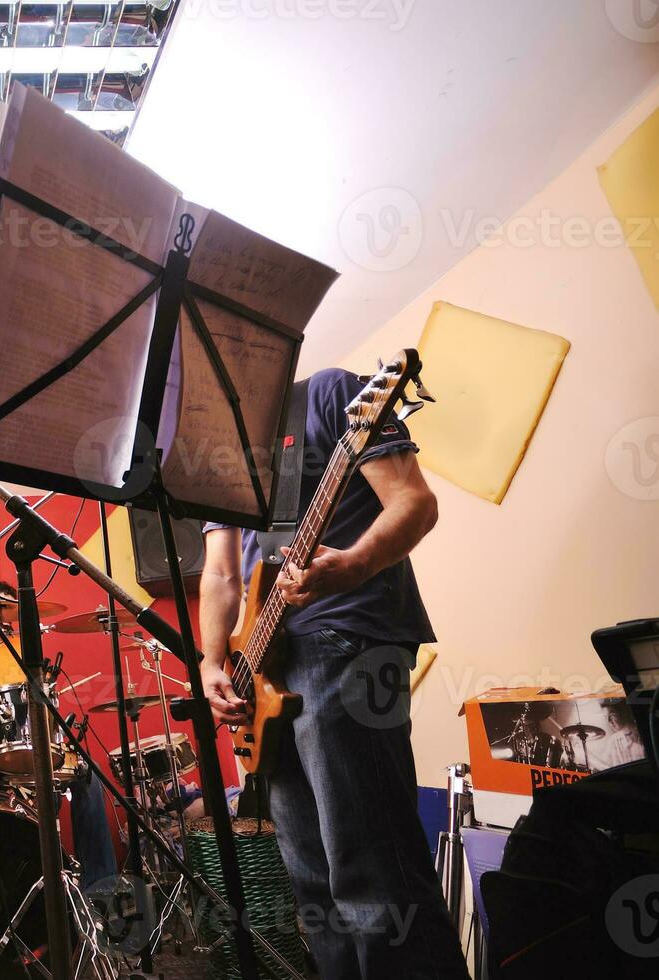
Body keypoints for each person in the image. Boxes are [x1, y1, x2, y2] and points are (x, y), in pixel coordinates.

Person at [197, 368, 467, 979]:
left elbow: (415, 502)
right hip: (265, 670)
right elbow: (221, 573)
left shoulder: (328, 394)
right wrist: (214, 661)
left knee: (371, 871)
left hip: (345, 638)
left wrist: (353, 563)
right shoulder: (215, 454)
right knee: (314, 886)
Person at [0, 580, 118, 889]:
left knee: (89, 773)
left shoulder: (26, 650)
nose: (4, 615)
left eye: (9, 608)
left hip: (34, 749)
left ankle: (100, 888)